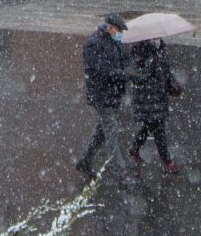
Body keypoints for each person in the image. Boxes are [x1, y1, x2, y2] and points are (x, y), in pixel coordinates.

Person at [76, 14, 130, 173]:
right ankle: (119, 168)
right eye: (119, 30)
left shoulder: (114, 42)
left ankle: (85, 160)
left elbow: (123, 59)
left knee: (102, 131)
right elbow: (102, 71)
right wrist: (122, 74)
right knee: (111, 129)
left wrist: (131, 71)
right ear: (111, 27)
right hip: (101, 95)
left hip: (111, 93)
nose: (120, 34)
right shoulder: (94, 44)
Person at [126, 36, 181, 171]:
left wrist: (173, 85)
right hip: (147, 98)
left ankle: (135, 148)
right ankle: (167, 160)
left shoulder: (160, 50)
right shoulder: (138, 52)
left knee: (151, 125)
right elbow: (138, 77)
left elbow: (165, 72)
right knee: (158, 128)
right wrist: (152, 62)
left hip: (158, 96)